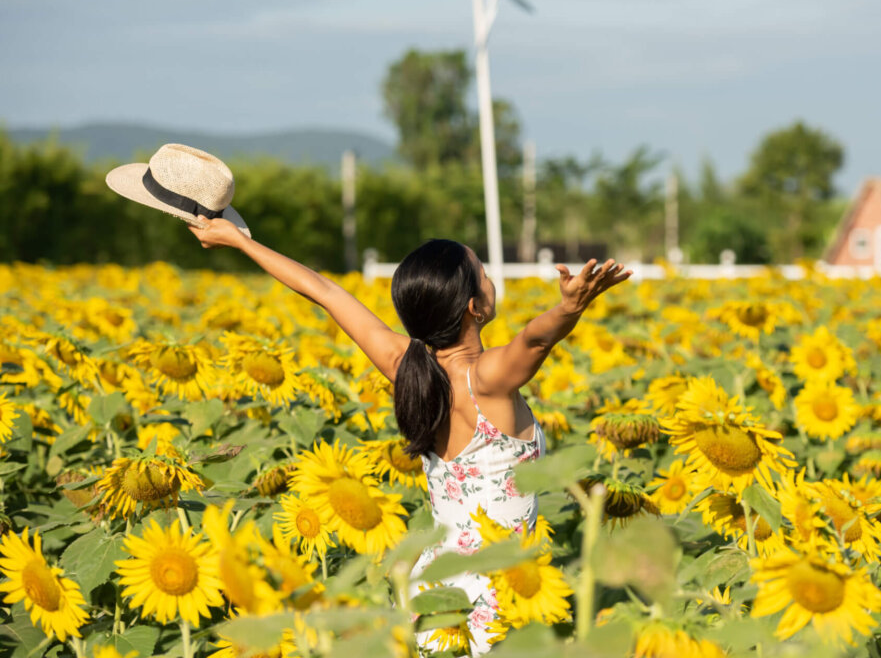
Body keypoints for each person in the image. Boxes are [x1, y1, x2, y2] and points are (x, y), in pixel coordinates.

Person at [186, 216, 631, 655]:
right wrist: (568, 309)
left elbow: (324, 292)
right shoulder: (486, 379)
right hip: (495, 600)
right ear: (474, 307)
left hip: (432, 592)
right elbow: (534, 341)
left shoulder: (407, 367)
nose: (492, 281)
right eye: (484, 275)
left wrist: (242, 243)